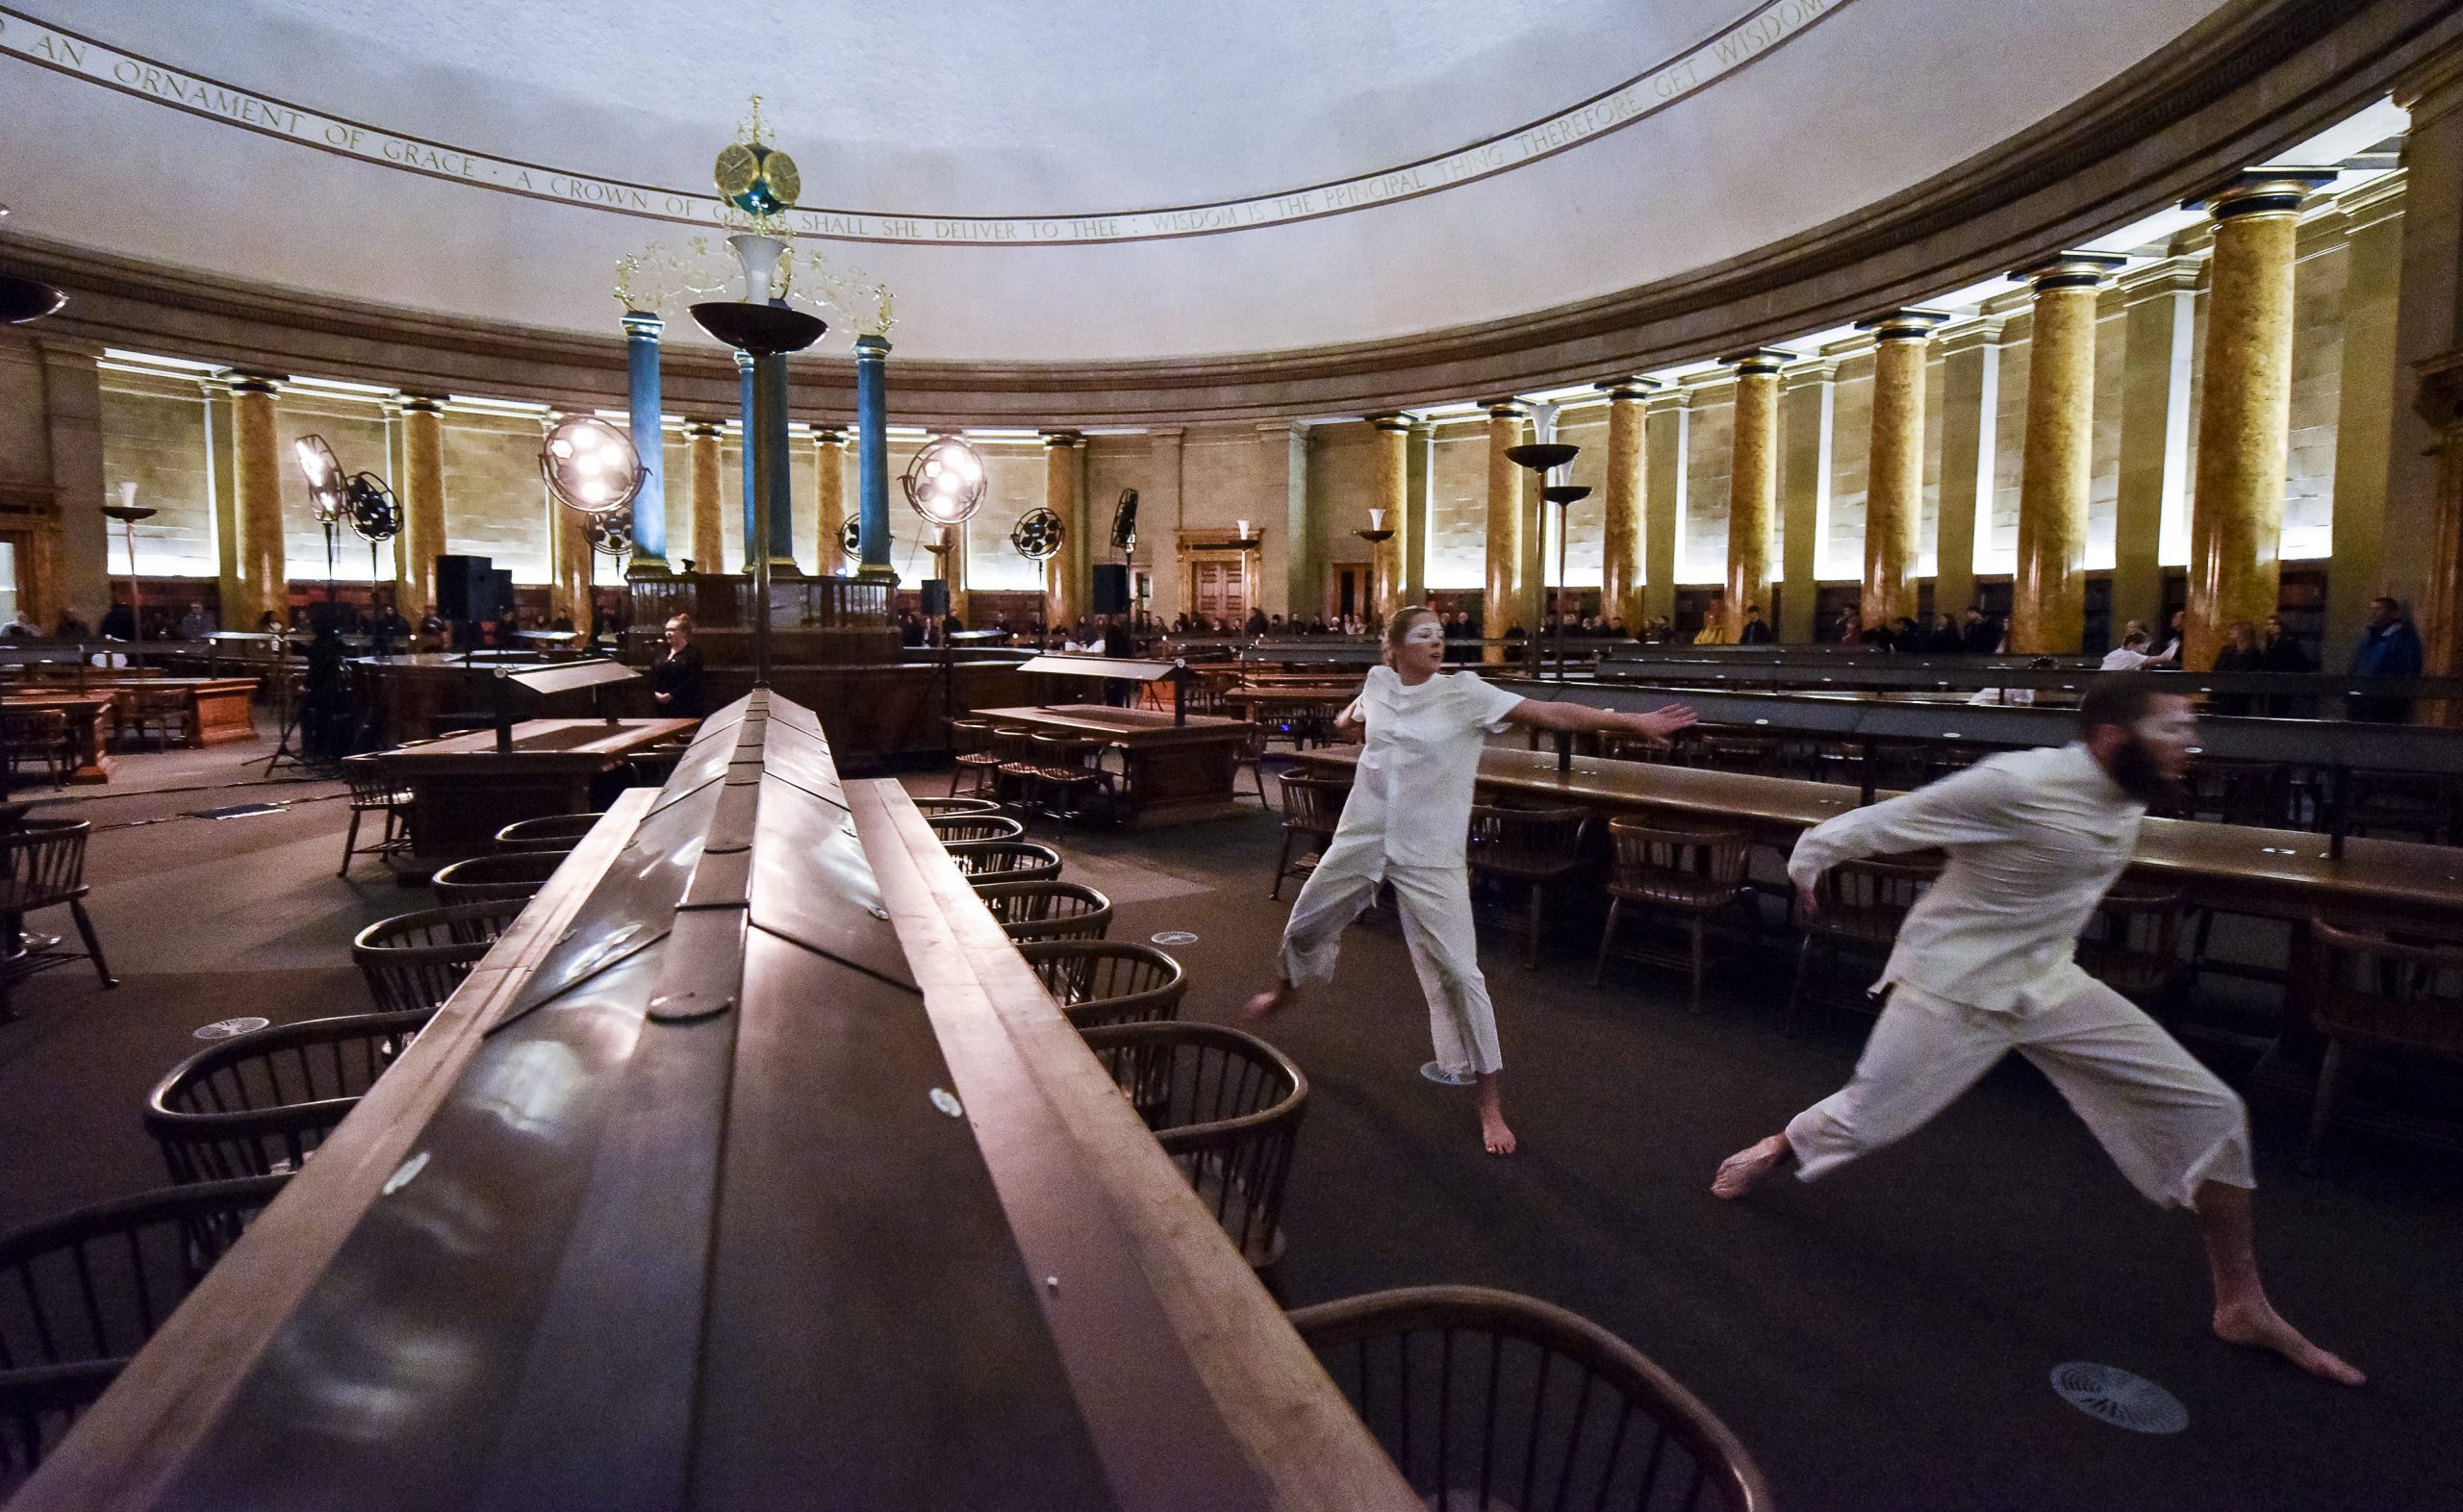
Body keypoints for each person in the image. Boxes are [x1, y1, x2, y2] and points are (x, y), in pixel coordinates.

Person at [1711, 674, 2361, 1386]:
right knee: (1872, 1111)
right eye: (2171, 731)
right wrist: (1810, 861)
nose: (2189, 746)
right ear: (2113, 740)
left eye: (2188, 730)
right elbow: (1891, 820)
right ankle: (1778, 1145)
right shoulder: (2017, 783)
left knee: (2213, 1112)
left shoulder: (2129, 794)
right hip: (1953, 984)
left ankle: (2242, 1304)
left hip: (2047, 982)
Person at [1242, 606, 1697, 1155]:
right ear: (1395, 650)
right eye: (1423, 636)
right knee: (1303, 925)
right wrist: (1348, 720)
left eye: (1440, 635)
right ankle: (1284, 992)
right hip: (1362, 838)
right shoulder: (1379, 680)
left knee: (1461, 972)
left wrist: (1632, 721)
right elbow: (1362, 707)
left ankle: (1490, 1104)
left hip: (1429, 853)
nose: (1437, 643)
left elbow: (1549, 712)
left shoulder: (1466, 692)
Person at [2345, 595, 2422, 723]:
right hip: (2360, 703)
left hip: (2384, 707)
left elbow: (2406, 671)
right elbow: (2355, 667)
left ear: (2393, 613)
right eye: (2371, 609)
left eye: (2379, 609)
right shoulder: (2369, 639)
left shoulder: (2402, 640)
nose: (2373, 613)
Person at [650, 615, 705, 718]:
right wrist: (656, 693)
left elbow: (693, 679)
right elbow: (654, 675)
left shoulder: (693, 653)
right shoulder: (662, 652)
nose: (668, 633)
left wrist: (671, 695)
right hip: (660, 706)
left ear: (684, 632)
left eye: (673, 630)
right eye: (667, 630)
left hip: (683, 705)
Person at [2208, 619, 2265, 717]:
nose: (2231, 631)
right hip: (2222, 693)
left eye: (2234, 630)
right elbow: (2216, 668)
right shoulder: (2226, 651)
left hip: (2239, 696)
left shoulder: (2253, 653)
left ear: (2243, 633)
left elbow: (2242, 673)